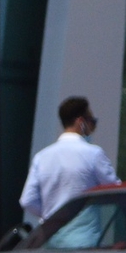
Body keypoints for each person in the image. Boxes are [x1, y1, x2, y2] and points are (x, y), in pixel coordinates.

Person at [18, 95, 118, 229]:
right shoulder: (94, 154)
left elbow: (27, 200)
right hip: (83, 234)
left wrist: (52, 218)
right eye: (92, 122)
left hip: (50, 236)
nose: (93, 129)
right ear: (81, 123)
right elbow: (116, 191)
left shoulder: (41, 157)